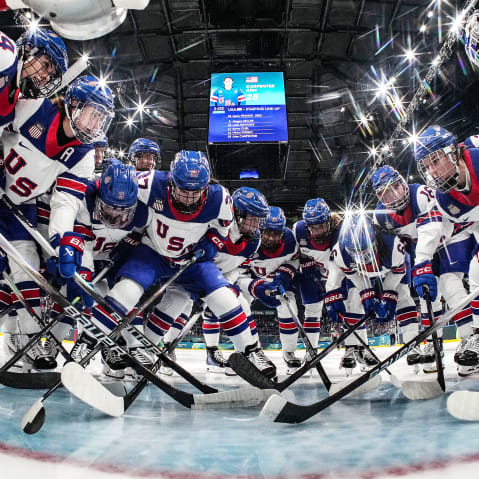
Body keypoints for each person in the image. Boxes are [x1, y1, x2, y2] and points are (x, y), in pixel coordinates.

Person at [83, 150, 259, 379]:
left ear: (206, 186)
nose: (188, 197)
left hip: (191, 260)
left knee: (225, 298)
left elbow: (222, 228)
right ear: (171, 182)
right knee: (126, 290)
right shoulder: (151, 181)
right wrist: (85, 188)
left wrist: (211, 243)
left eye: (195, 191)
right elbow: (114, 181)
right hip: (153, 252)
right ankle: (90, 347)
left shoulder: (220, 198)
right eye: (183, 189)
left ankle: (250, 354)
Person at [0, 74, 114, 371]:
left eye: (102, 120)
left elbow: (65, 202)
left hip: (18, 206)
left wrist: (61, 239)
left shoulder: (84, 156)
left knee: (25, 265)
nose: (95, 126)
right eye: (93, 115)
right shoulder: (32, 107)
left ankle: (30, 340)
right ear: (74, 105)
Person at [371, 165, 474, 373]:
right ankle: (432, 344)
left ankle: (471, 339)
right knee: (427, 295)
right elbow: (390, 249)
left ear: (403, 182)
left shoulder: (420, 194)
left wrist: (422, 262)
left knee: (449, 282)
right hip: (422, 251)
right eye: (386, 193)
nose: (394, 195)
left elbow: (433, 229)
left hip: (451, 237)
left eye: (396, 187)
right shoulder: (380, 216)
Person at [415, 125, 479, 375]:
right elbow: (434, 228)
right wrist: (423, 264)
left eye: (435, 160)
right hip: (474, 229)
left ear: (453, 152)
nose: (431, 170)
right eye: (426, 165)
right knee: (475, 273)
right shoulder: (443, 199)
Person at [324, 214, 413, 375]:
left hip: (391, 269)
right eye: (356, 254)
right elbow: (351, 274)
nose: (362, 259)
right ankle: (356, 347)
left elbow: (398, 271)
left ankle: (413, 344)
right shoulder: (341, 253)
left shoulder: (392, 246)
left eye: (365, 253)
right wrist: (366, 293)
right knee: (353, 298)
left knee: (403, 294)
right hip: (362, 274)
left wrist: (389, 293)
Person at [237, 206, 300, 375]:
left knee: (290, 308)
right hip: (251, 280)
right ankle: (251, 353)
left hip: (277, 281)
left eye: (276, 233)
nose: (271, 238)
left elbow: (294, 261)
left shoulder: (290, 240)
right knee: (239, 307)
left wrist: (284, 276)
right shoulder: (248, 240)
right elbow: (236, 273)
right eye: (267, 233)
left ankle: (289, 352)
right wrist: (253, 285)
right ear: (260, 228)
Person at [292, 198, 342, 365]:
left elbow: (339, 261)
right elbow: (294, 253)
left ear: (329, 221)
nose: (318, 231)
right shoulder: (299, 230)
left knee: (349, 307)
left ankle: (355, 349)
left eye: (321, 226)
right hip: (313, 274)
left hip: (339, 272)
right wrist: (304, 261)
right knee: (312, 311)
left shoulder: (340, 231)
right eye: (313, 228)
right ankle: (311, 351)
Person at [0, 27, 68, 127]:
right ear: (28, 49)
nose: (47, 78)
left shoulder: (16, 104)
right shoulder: (6, 56)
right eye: (45, 65)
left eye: (52, 75)